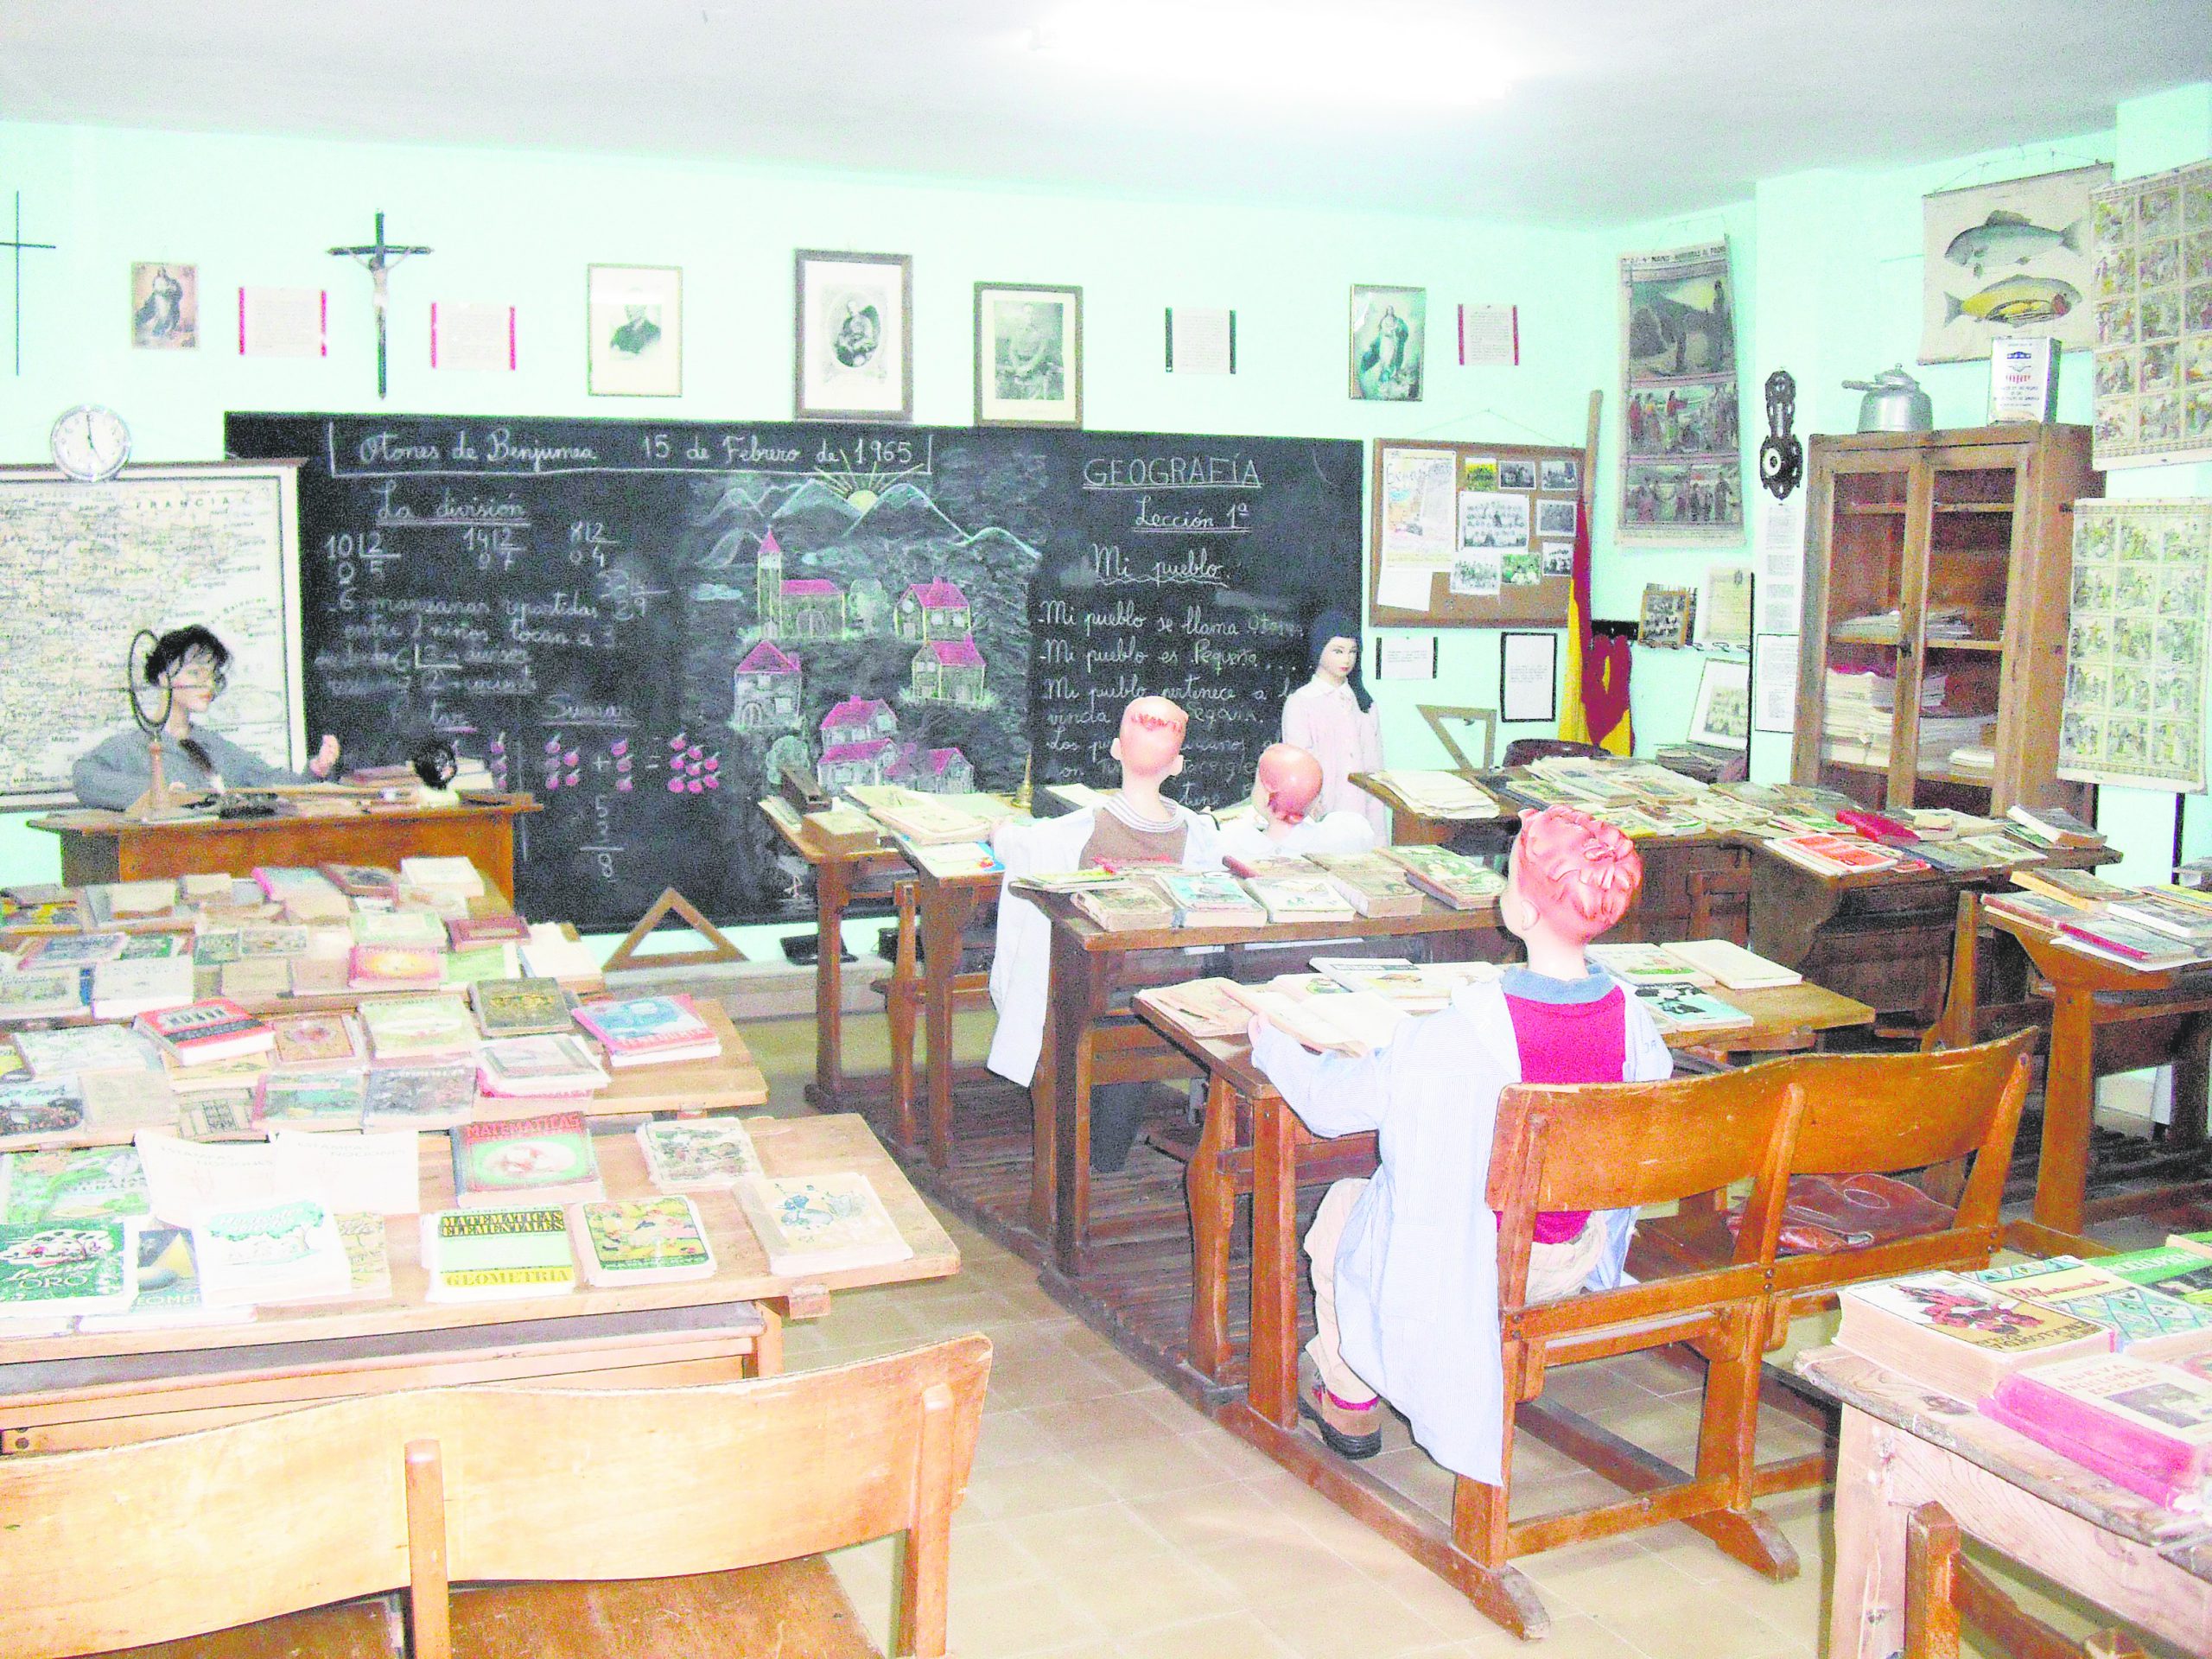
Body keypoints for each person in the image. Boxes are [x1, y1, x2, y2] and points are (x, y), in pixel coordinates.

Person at [1245, 806, 1669, 1479]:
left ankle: (1349, 1393)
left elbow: (1328, 1108)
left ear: (1522, 914)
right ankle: (1355, 1382)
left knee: (1344, 1210)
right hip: (1572, 1248)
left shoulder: (1463, 1033)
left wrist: (1274, 1047)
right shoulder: (1634, 1019)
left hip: (1483, 1269)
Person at [986, 696, 1223, 1173]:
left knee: (1089, 988)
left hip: (1095, 998)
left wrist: (999, 831)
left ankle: (1086, 1147)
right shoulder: (1203, 837)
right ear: (1177, 766)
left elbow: (1017, 847)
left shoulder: (1069, 831)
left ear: (1114, 750)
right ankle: (1109, 1150)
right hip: (1175, 991)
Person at [72, 626, 340, 810]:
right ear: (163, 678)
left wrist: (316, 770)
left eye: (212, 675)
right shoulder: (130, 747)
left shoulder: (215, 747)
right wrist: (155, 791)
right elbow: (84, 778)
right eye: (196, 674)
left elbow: (269, 781)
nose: (208, 685)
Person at [1281, 609, 1388, 842]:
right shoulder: (1301, 703)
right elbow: (1298, 764)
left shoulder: (1365, 704)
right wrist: (1309, 801)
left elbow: (1376, 764)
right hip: (1324, 809)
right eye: (1338, 651)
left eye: (1352, 651)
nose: (1346, 659)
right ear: (1319, 650)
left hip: (1366, 809)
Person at [1217, 743, 1375, 867]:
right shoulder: (1345, 836)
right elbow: (1359, 830)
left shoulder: (1229, 843)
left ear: (1266, 796)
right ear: (1316, 802)